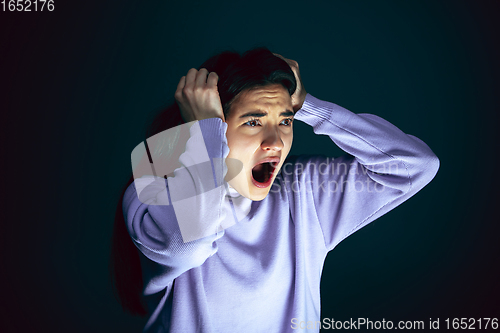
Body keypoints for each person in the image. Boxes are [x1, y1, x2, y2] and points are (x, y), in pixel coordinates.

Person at [110, 47, 439, 332]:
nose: (276, 142)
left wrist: (308, 105)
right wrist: (202, 132)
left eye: (285, 121)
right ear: (207, 127)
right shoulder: (152, 190)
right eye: (253, 122)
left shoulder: (302, 190)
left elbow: (415, 165)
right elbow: (192, 244)